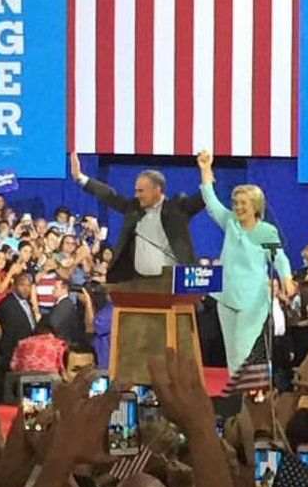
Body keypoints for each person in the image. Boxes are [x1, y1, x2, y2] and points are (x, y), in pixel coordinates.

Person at [196, 150, 295, 372]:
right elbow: (211, 202)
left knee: (244, 349)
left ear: (256, 206)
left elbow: (278, 257)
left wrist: (286, 278)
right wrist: (205, 169)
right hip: (226, 295)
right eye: (235, 202)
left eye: (243, 203)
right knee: (232, 353)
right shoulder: (230, 222)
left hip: (253, 299)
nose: (238, 207)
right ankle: (240, 397)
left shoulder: (266, 232)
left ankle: (255, 394)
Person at [70, 152, 204, 282]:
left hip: (172, 282)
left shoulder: (177, 208)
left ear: (157, 190)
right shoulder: (134, 208)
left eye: (141, 191)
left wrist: (206, 171)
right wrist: (80, 178)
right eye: (136, 190)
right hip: (136, 282)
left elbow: (202, 199)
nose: (136, 195)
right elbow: (110, 196)